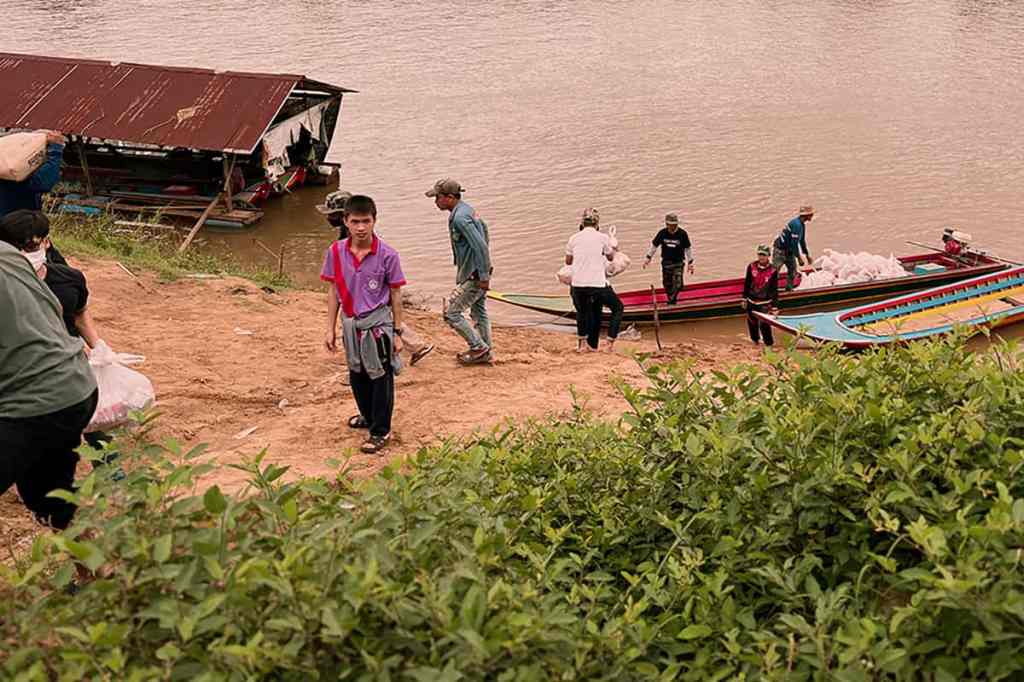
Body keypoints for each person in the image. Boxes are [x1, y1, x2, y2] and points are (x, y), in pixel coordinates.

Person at [0, 210, 123, 476]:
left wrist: (99, 346)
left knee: (91, 418)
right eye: (16, 247)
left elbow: (80, 314)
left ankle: (111, 470)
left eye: (31, 246)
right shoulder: (5, 282)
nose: (24, 253)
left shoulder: (68, 279)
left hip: (63, 363)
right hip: (16, 368)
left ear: (46, 242)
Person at [0, 239, 98, 530]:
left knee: (48, 491)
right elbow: (56, 307)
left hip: (31, 402)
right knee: (50, 497)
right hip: (74, 384)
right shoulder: (7, 251)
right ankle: (89, 555)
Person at [321, 195, 406, 454]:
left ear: (374, 221)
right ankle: (368, 416)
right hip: (350, 325)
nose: (361, 227)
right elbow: (334, 291)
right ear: (346, 221)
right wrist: (329, 328)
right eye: (355, 221)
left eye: (366, 221)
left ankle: (381, 431)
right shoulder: (335, 252)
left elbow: (395, 295)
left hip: (378, 326)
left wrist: (398, 332)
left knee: (380, 377)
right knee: (357, 375)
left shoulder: (388, 255)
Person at [317, 190, 433, 365]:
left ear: (341, 215)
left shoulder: (353, 237)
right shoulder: (345, 242)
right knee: (381, 315)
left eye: (331, 214)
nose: (328, 218)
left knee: (379, 316)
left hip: (368, 291)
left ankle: (414, 345)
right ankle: (415, 345)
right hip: (366, 293)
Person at [427, 178, 493, 365]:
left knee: (452, 313)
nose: (436, 202)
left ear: (449, 197)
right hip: (477, 271)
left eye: (438, 197)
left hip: (474, 274)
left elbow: (480, 246)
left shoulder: (460, 218)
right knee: (478, 311)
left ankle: (478, 348)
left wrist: (483, 275)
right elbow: (485, 233)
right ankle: (485, 349)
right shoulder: (467, 210)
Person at [566, 208, 623, 352]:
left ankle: (582, 345)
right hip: (597, 285)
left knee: (582, 312)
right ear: (597, 224)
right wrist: (610, 247)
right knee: (618, 308)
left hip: (577, 285)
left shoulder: (573, 238)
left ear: (582, 223)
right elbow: (610, 257)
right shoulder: (603, 238)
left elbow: (568, 261)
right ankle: (609, 344)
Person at [642, 213, 694, 305]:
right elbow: (654, 246)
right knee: (667, 284)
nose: (672, 227)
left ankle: (671, 301)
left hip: (678, 262)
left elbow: (687, 248)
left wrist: (690, 263)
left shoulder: (682, 234)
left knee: (678, 284)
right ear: (666, 224)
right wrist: (648, 257)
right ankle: (672, 300)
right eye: (670, 225)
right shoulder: (662, 233)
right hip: (666, 263)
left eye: (674, 225)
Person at [742, 244, 780, 346]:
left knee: (765, 325)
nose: (761, 257)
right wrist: (744, 299)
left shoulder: (773, 270)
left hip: (765, 303)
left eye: (764, 255)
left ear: (768, 256)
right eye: (760, 254)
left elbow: (774, 290)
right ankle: (755, 342)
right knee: (752, 323)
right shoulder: (751, 266)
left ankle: (769, 345)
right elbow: (747, 283)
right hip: (751, 301)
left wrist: (775, 307)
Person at [772, 205, 814, 291]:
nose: (812, 216)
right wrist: (799, 258)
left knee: (792, 271)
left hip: (790, 251)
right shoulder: (796, 225)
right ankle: (769, 290)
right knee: (774, 272)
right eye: (811, 214)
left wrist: (807, 255)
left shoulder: (802, 225)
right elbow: (794, 244)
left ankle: (789, 289)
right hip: (780, 250)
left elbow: (802, 241)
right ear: (806, 215)